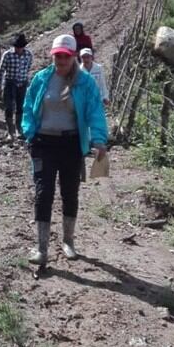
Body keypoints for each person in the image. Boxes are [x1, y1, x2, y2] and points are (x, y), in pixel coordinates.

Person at [22, 34, 107, 266]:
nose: (60, 61)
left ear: (73, 57)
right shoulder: (41, 79)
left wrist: (98, 139)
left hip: (71, 144)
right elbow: (28, 107)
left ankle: (68, 240)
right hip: (43, 144)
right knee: (43, 193)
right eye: (57, 56)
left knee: (69, 193)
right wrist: (29, 132)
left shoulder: (85, 82)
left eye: (65, 57)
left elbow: (95, 112)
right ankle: (41, 248)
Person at [0, 33, 33, 140]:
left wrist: (25, 81)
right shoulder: (7, 55)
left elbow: (28, 68)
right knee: (9, 107)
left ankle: (18, 129)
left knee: (21, 107)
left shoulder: (28, 55)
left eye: (21, 47)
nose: (19, 49)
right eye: (17, 47)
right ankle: (9, 131)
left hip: (22, 83)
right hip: (10, 83)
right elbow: (1, 71)